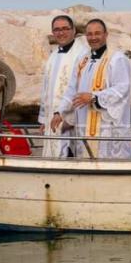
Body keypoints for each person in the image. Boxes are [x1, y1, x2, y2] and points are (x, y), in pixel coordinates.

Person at [52, 19, 131, 159]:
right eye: (89, 34)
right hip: (85, 123)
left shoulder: (117, 59)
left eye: (97, 33)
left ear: (106, 34)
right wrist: (60, 112)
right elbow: (72, 88)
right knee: (85, 160)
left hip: (106, 126)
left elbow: (122, 88)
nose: (93, 37)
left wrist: (94, 97)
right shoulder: (83, 59)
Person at [38, 15, 87, 157]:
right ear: (53, 33)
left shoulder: (82, 54)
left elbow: (83, 88)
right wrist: (43, 120)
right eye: (57, 30)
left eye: (65, 29)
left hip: (71, 120)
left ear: (74, 30)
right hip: (52, 119)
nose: (61, 33)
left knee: (70, 156)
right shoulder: (53, 55)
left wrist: (71, 119)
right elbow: (46, 90)